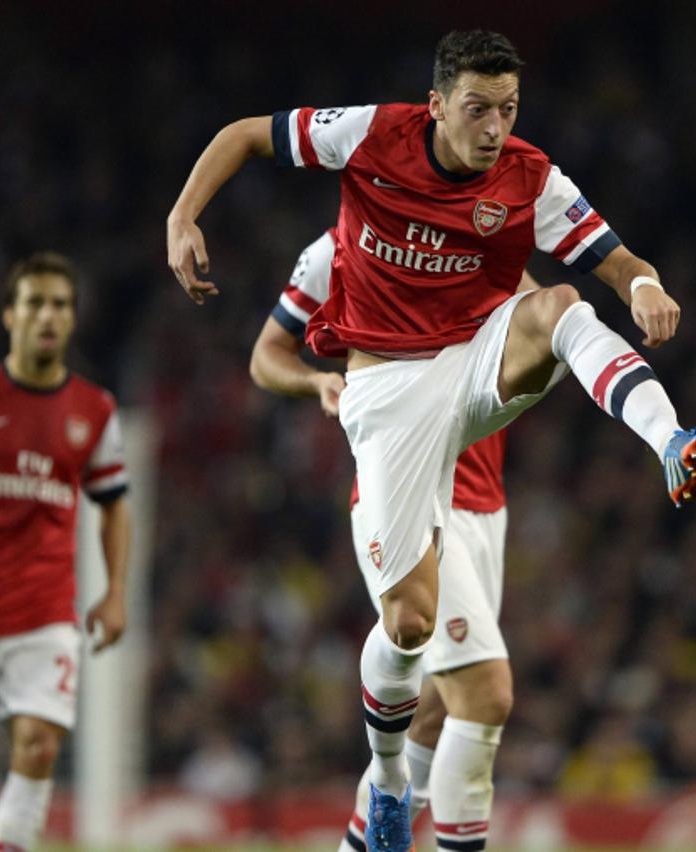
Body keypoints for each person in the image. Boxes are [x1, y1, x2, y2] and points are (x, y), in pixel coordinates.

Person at [169, 28, 696, 851]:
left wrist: (644, 283)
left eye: (508, 109)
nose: (495, 127)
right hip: (390, 392)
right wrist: (184, 217)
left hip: (472, 382)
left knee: (562, 307)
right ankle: (387, 787)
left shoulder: (528, 179)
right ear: (436, 105)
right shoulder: (361, 159)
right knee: (414, 635)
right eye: (477, 109)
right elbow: (247, 136)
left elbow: (611, 255)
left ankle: (673, 441)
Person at [249, 229, 540, 852]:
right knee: (485, 694)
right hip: (410, 498)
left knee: (436, 711)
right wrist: (316, 382)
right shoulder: (336, 253)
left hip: (486, 503)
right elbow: (266, 355)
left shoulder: (480, 233)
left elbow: (538, 331)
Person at [0, 252, 132, 852]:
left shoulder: (94, 412)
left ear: (72, 320)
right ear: (9, 315)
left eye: (61, 305)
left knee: (39, 744)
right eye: (35, 303)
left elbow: (113, 503)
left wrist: (116, 592)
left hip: (44, 612)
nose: (49, 316)